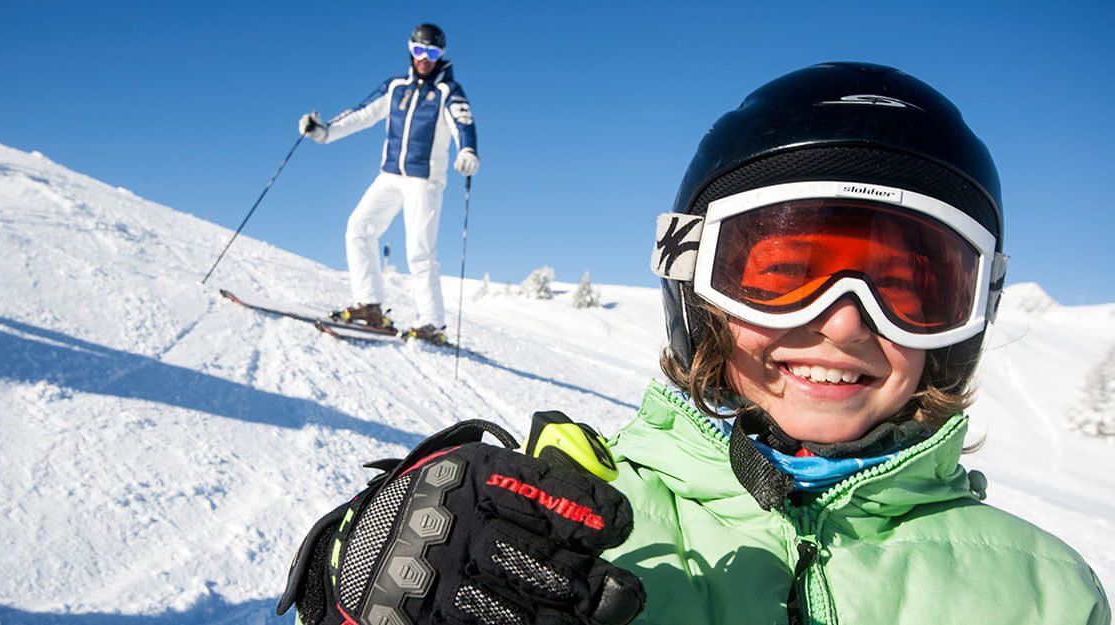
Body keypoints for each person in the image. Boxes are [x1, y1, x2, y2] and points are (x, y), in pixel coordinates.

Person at [276, 63, 1110, 625]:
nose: (847, 320)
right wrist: (355, 580)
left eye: (910, 286)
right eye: (785, 270)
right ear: (695, 284)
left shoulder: (1049, 593)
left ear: (966, 317)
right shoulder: (570, 521)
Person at [298, 23, 478, 343]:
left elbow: (463, 122)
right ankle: (369, 306)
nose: (425, 59)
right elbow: (361, 114)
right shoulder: (395, 88)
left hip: (424, 181)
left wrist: (467, 150)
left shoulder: (448, 92)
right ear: (410, 49)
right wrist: (324, 132)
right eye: (419, 51)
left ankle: (432, 323)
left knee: (419, 252)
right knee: (359, 227)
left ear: (442, 56)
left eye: (432, 53)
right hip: (390, 175)